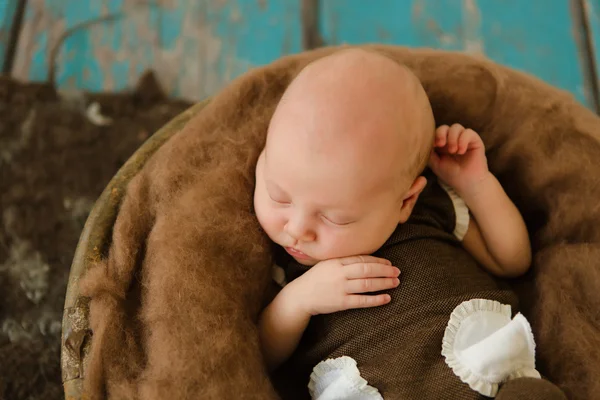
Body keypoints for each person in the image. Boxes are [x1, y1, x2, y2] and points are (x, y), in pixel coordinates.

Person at [253, 48, 565, 399]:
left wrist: (475, 185)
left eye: (333, 218)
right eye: (278, 195)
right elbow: (260, 355)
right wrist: (297, 301)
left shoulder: (430, 209)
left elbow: (511, 261)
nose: (295, 229)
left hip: (486, 378)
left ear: (405, 201)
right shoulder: (285, 266)